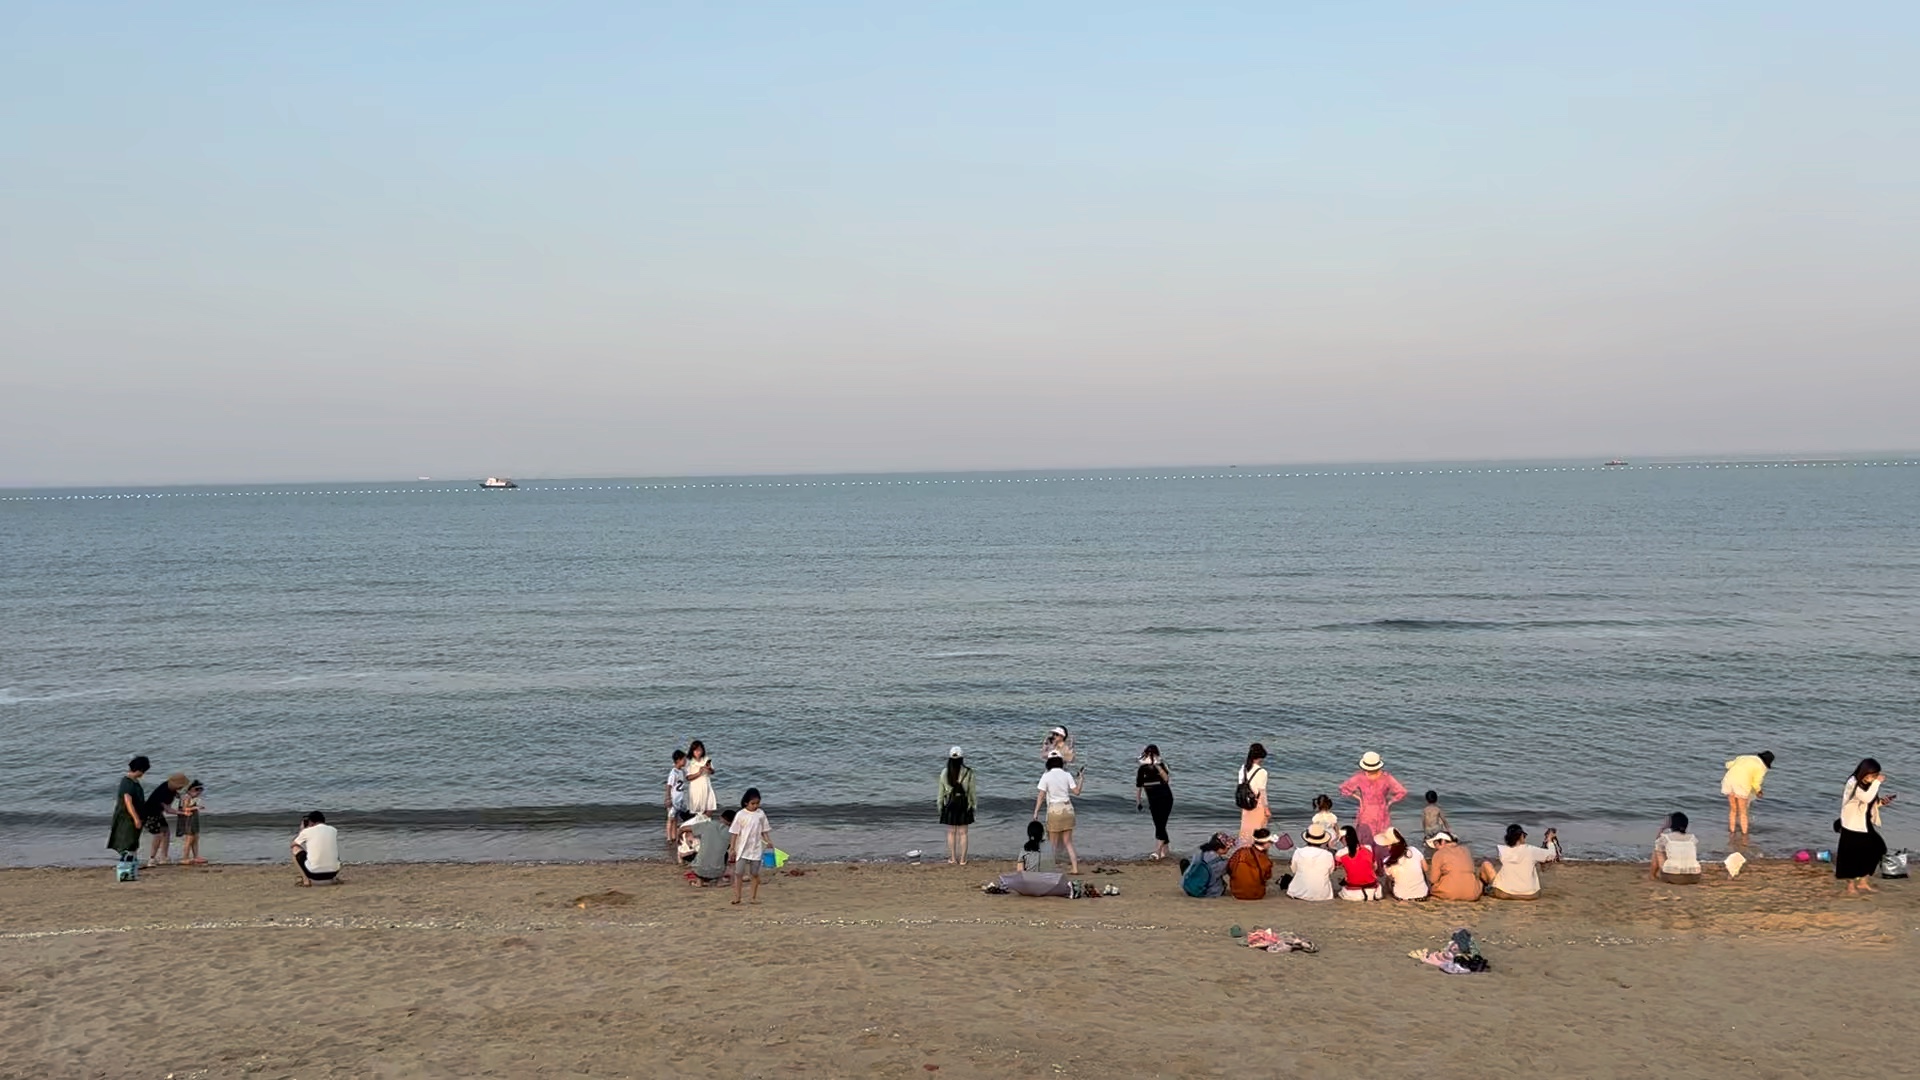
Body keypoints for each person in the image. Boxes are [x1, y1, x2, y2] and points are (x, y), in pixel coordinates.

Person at [1836, 758, 1890, 895]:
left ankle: (1863, 882)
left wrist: (1881, 802)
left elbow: (1869, 802)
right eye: (1872, 775)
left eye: (1875, 775)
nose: (1873, 778)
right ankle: (1851, 886)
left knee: (1878, 848)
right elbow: (1864, 797)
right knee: (1850, 856)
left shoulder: (1869, 785)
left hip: (1864, 823)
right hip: (1852, 825)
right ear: (1864, 772)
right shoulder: (1853, 782)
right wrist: (1877, 783)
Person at [1032, 755, 1084, 873]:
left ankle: (1050, 869)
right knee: (1068, 842)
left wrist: (1036, 812)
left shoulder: (1046, 776)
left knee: (1053, 843)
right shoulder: (1067, 775)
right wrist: (1081, 780)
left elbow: (1041, 796)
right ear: (1061, 764)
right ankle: (1075, 868)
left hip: (1055, 810)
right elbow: (1077, 792)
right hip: (1068, 809)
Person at [1479, 824, 1560, 900]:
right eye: (1524, 836)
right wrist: (1550, 841)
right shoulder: (1530, 850)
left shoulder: (1503, 851)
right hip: (1530, 895)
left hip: (1504, 893)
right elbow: (1552, 855)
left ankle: (1481, 889)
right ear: (1521, 836)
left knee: (1486, 865)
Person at [1339, 752, 1407, 839]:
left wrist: (1358, 798)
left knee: (1364, 837)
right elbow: (1402, 791)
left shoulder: (1360, 777)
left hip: (1366, 810)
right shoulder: (1387, 778)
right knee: (1381, 839)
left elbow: (1343, 788)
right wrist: (1390, 801)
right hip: (1381, 810)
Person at [999, 821, 1072, 896]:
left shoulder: (1025, 849)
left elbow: (1020, 871)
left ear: (1029, 834)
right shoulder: (1050, 846)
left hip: (1028, 887)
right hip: (1049, 885)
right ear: (1042, 833)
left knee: (1005, 879)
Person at [729, 788, 773, 906]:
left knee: (754, 873)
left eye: (757, 803)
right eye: (753, 803)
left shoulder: (760, 814)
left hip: (756, 847)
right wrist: (732, 848)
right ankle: (737, 896)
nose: (755, 806)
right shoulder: (740, 814)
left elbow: (764, 830)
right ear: (746, 803)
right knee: (739, 873)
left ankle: (753, 897)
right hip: (742, 847)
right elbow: (734, 832)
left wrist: (768, 841)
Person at [1720, 751, 1776, 838]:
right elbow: (1756, 783)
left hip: (1729, 780)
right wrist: (1759, 791)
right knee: (1743, 812)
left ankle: (1732, 832)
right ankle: (1744, 835)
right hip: (1742, 784)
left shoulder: (1743, 757)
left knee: (1733, 810)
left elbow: (1728, 765)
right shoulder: (1761, 767)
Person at [1134, 745, 1174, 860]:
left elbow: (1166, 779)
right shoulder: (1142, 769)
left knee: (1161, 824)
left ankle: (1157, 852)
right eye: (1148, 753)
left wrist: (1157, 765)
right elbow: (1139, 786)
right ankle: (1166, 851)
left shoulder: (1161, 765)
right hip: (1153, 800)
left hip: (1165, 798)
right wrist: (1138, 801)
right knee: (1159, 824)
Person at [939, 747, 977, 866]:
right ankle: (963, 860)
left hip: (950, 804)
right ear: (962, 759)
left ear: (950, 758)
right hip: (964, 804)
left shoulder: (944, 772)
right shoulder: (968, 772)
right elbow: (972, 792)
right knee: (963, 833)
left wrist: (940, 806)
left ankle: (953, 859)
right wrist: (973, 805)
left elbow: (941, 794)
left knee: (951, 833)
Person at [142, 773, 187, 867]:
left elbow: (176, 796)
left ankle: (163, 857)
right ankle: (152, 858)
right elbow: (168, 810)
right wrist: (182, 813)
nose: (181, 787)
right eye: (181, 786)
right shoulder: (164, 792)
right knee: (159, 834)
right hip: (149, 814)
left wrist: (182, 798)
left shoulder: (170, 788)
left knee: (166, 832)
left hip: (157, 813)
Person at [109, 756, 149, 858]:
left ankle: (132, 861)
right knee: (128, 840)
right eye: (143, 771)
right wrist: (136, 819)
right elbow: (128, 802)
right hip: (127, 817)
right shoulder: (127, 783)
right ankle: (127, 861)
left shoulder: (134, 781)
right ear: (140, 769)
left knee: (133, 840)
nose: (143, 774)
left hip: (134, 815)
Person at [682, 809, 735, 886]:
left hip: (699, 870)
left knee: (701, 851)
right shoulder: (731, 833)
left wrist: (678, 835)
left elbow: (684, 829)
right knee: (724, 854)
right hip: (717, 873)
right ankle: (719, 881)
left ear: (720, 817)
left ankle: (699, 881)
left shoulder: (708, 824)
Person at [1286, 824, 1337, 901]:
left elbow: (1294, 870)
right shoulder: (1328, 854)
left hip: (1298, 893)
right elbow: (1330, 871)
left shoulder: (1298, 852)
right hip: (1323, 894)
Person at [1425, 832, 1481, 901]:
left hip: (1449, 893)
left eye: (1436, 844)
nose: (1435, 848)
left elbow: (1433, 879)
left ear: (1442, 841)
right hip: (1473, 893)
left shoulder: (1439, 853)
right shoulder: (1466, 850)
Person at [291, 811, 341, 886]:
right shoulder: (333, 830)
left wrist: (302, 830)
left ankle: (306, 880)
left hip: (314, 874)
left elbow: (293, 844)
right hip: (333, 872)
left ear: (310, 822)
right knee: (330, 849)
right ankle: (334, 878)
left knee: (295, 849)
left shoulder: (307, 831)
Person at [1650, 812, 1701, 884]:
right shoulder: (1692, 838)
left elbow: (1657, 843)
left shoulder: (1666, 838)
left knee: (1657, 850)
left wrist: (1662, 828)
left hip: (1673, 877)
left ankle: (1652, 875)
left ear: (1671, 825)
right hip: (1695, 877)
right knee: (1676, 851)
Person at [1227, 829, 1277, 900]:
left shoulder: (1240, 852)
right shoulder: (1265, 860)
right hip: (1256, 894)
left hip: (1236, 893)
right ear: (1266, 843)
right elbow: (1267, 876)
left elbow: (1229, 868)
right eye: (1270, 842)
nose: (1271, 844)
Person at [1379, 828, 1428, 900]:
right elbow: (1426, 868)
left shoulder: (1388, 861)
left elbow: (1391, 879)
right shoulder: (1414, 850)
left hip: (1401, 896)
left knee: (1388, 878)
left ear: (1389, 845)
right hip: (1422, 894)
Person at [1336, 826, 1381, 900]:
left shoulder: (1340, 853)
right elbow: (1374, 867)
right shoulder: (1368, 848)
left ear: (1344, 839)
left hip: (1353, 894)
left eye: (1340, 839)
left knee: (1340, 892)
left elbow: (1337, 867)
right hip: (1374, 892)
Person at [1236, 743, 1270, 840]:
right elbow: (1262, 792)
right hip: (1257, 803)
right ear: (1261, 757)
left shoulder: (1243, 769)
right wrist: (1266, 809)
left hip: (1245, 803)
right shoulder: (1262, 772)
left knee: (1246, 829)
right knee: (1259, 830)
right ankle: (1256, 850)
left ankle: (1244, 848)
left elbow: (1240, 784)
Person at [176, 780, 206, 865]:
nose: (198, 794)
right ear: (191, 790)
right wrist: (196, 807)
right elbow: (184, 808)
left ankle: (196, 856)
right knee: (189, 839)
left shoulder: (191, 797)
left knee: (195, 838)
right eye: (197, 792)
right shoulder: (187, 797)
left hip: (193, 819)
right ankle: (185, 857)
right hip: (189, 820)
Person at [684, 741, 717, 816]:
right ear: (692, 751)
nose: (698, 752)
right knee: (698, 810)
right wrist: (699, 772)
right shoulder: (689, 761)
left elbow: (712, 772)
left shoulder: (705, 759)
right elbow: (688, 777)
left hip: (706, 785)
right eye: (696, 750)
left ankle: (705, 824)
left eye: (700, 750)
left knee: (709, 807)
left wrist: (710, 769)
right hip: (696, 787)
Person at [665, 750, 690, 841]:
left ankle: (674, 836)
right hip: (673, 799)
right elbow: (668, 786)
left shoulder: (681, 771)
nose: (685, 761)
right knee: (670, 818)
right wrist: (668, 798)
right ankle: (668, 837)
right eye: (684, 759)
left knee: (675, 819)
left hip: (679, 799)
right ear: (678, 760)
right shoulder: (673, 773)